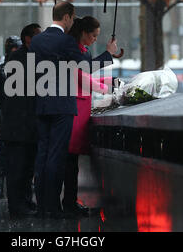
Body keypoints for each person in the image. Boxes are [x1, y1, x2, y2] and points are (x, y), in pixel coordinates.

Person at [29, 2, 117, 219]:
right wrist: (108, 53)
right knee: (57, 156)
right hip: (62, 105)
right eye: (73, 18)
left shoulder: (37, 40)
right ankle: (52, 207)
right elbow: (87, 67)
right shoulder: (66, 41)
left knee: (42, 156)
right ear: (67, 17)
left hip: (41, 103)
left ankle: (41, 206)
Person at [63, 16, 114, 217]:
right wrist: (103, 84)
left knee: (71, 160)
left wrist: (106, 80)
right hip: (75, 107)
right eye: (93, 35)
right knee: (69, 158)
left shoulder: (81, 49)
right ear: (83, 32)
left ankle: (70, 201)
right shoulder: (74, 50)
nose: (94, 39)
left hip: (81, 105)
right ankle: (68, 203)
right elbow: (82, 74)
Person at [0, 23, 42, 218]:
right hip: (18, 125)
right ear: (28, 39)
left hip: (28, 124)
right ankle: (16, 206)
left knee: (27, 168)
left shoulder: (31, 57)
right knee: (17, 168)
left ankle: (25, 201)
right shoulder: (17, 58)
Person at [0, 36, 23, 199]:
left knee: (21, 155)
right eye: (13, 49)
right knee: (3, 154)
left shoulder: (23, 69)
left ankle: (20, 185)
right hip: (4, 118)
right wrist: (0, 119)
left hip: (19, 118)